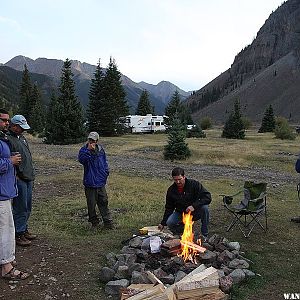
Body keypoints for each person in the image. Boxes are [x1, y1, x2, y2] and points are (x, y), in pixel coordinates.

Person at [0, 109, 30, 280]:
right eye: (3, 120)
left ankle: (6, 260)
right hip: (1, 193)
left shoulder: (4, 139)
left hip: (6, 190)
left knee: (6, 227)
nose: (6, 123)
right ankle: (6, 266)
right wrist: (9, 162)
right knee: (5, 229)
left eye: (7, 120)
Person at [158, 167, 212, 240]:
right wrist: (163, 223)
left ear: (184, 177)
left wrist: (194, 206)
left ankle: (204, 235)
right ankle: (183, 231)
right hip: (181, 212)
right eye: (175, 180)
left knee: (205, 208)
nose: (178, 182)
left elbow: (207, 197)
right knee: (170, 222)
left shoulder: (194, 184)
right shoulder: (171, 190)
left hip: (195, 211)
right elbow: (169, 207)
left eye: (179, 179)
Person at [7, 115, 36, 247]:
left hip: (28, 176)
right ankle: (18, 234)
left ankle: (24, 229)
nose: (23, 130)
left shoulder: (22, 138)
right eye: (20, 127)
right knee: (20, 207)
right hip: (19, 178)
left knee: (27, 205)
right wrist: (15, 174)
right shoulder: (8, 139)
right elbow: (9, 159)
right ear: (13, 126)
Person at [78, 132, 114, 229]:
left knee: (104, 201)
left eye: (93, 140)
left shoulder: (101, 150)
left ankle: (108, 223)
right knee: (91, 204)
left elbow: (104, 162)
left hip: (101, 181)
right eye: (90, 139)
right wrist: (89, 151)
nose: (92, 142)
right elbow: (82, 160)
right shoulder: (83, 150)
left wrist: (106, 172)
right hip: (90, 182)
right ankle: (94, 222)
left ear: (97, 140)